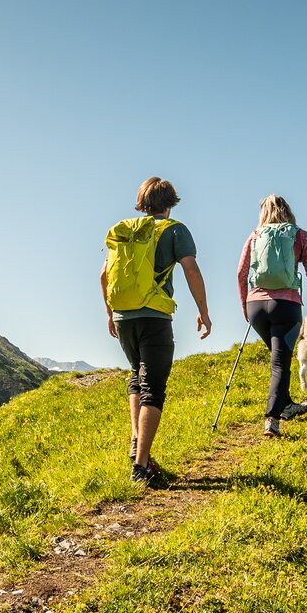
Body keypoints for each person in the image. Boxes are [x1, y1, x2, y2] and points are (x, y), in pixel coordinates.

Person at [101, 176, 211, 484]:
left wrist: (111, 315)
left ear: (142, 201)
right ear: (171, 202)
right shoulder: (175, 231)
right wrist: (203, 312)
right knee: (153, 387)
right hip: (154, 317)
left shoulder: (125, 232)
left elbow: (103, 277)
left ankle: (137, 446)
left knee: (137, 376)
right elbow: (191, 269)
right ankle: (142, 466)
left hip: (123, 317)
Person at [236, 194, 307, 438]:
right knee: (280, 363)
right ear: (288, 210)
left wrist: (245, 305)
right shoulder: (300, 235)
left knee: (280, 358)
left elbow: (241, 273)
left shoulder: (255, 235)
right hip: (286, 306)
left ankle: (286, 405)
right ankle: (272, 420)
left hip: (256, 306)